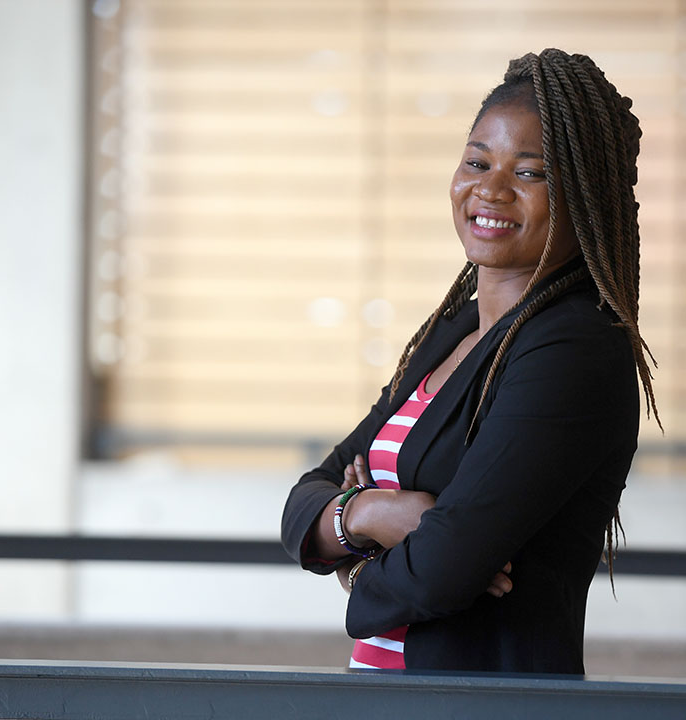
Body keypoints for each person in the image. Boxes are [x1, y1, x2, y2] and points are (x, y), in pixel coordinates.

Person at [281, 48, 659, 674]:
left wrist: (352, 554)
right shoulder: (453, 333)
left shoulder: (573, 349)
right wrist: (375, 512)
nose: (490, 188)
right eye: (477, 161)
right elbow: (304, 500)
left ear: (585, 195)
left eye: (531, 172)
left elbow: (444, 571)